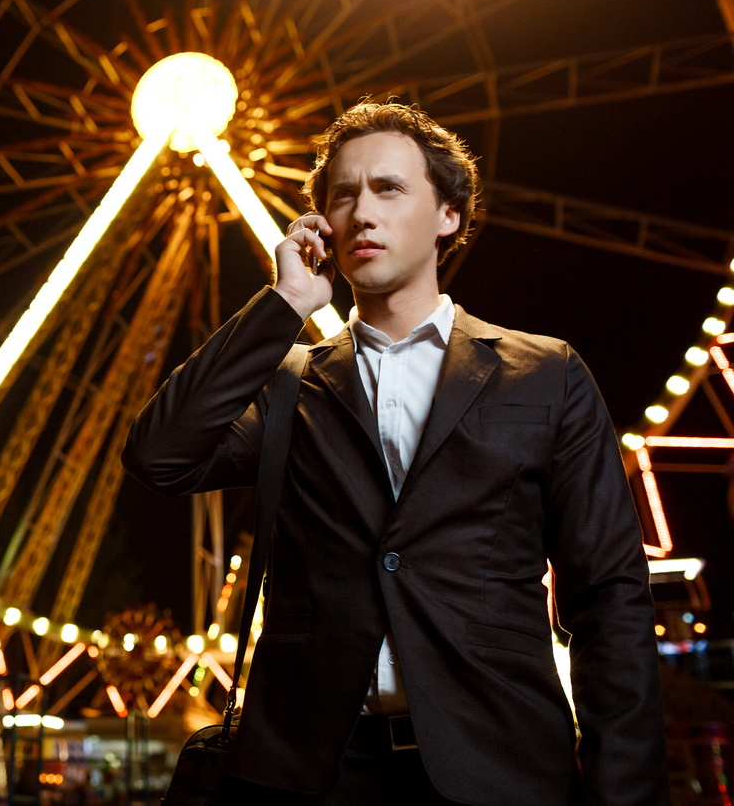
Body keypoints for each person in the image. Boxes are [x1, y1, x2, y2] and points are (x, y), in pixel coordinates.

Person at [122, 99, 668, 805]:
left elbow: (610, 600)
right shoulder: (291, 384)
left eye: (388, 188)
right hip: (312, 775)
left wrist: (625, 793)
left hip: (501, 769)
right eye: (342, 195)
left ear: (449, 215)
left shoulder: (546, 374)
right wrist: (284, 301)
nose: (361, 211)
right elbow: (159, 454)